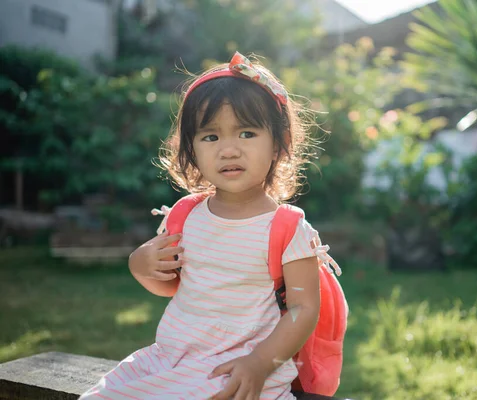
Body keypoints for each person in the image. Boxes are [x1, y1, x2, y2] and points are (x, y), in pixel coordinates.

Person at [80, 52, 340, 400]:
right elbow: (172, 286)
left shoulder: (287, 228)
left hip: (238, 370)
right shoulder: (186, 215)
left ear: (279, 144)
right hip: (171, 359)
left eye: (246, 133)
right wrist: (140, 265)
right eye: (210, 137)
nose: (228, 150)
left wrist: (260, 363)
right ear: (191, 149)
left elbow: (304, 309)